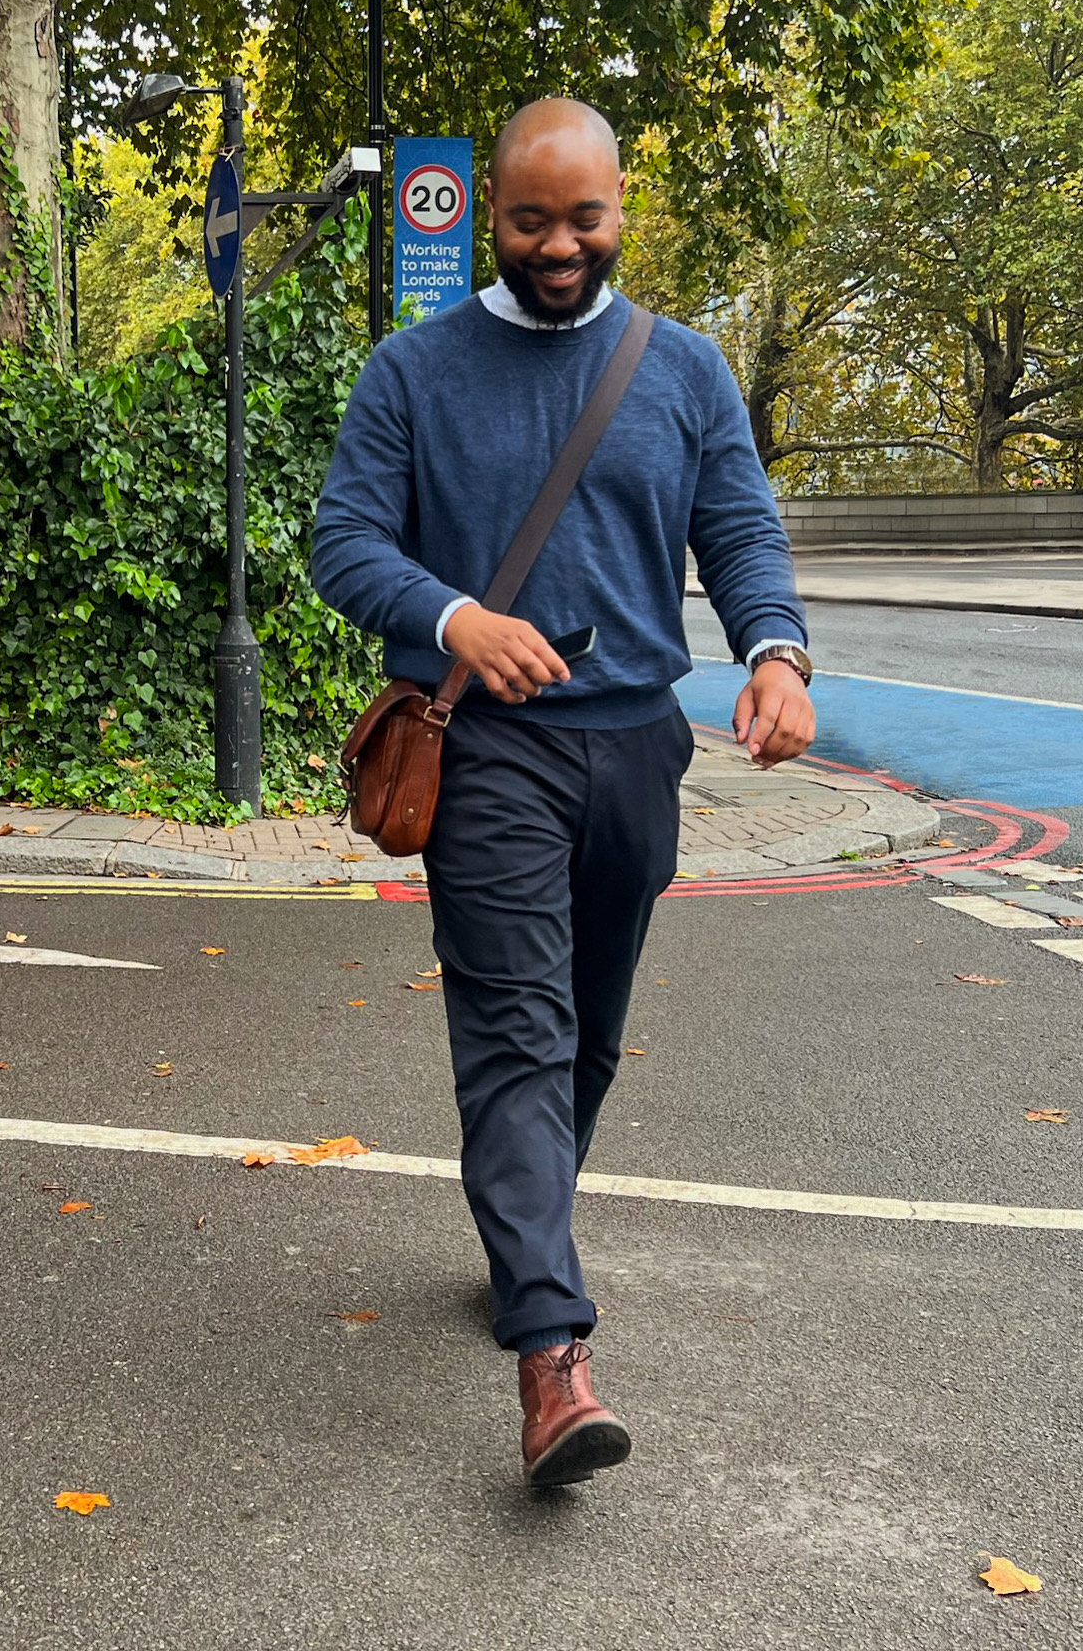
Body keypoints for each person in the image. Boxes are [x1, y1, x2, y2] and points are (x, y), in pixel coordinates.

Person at [311, 97, 814, 1487]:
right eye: (528, 218)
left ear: (617, 209)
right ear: (489, 213)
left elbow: (741, 529)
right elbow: (341, 543)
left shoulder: (685, 370)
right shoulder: (412, 372)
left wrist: (774, 652)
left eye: (580, 217)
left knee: (587, 1034)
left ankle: (522, 1234)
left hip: (635, 749)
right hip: (484, 755)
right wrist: (455, 618)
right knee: (517, 1035)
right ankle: (552, 1354)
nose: (556, 245)